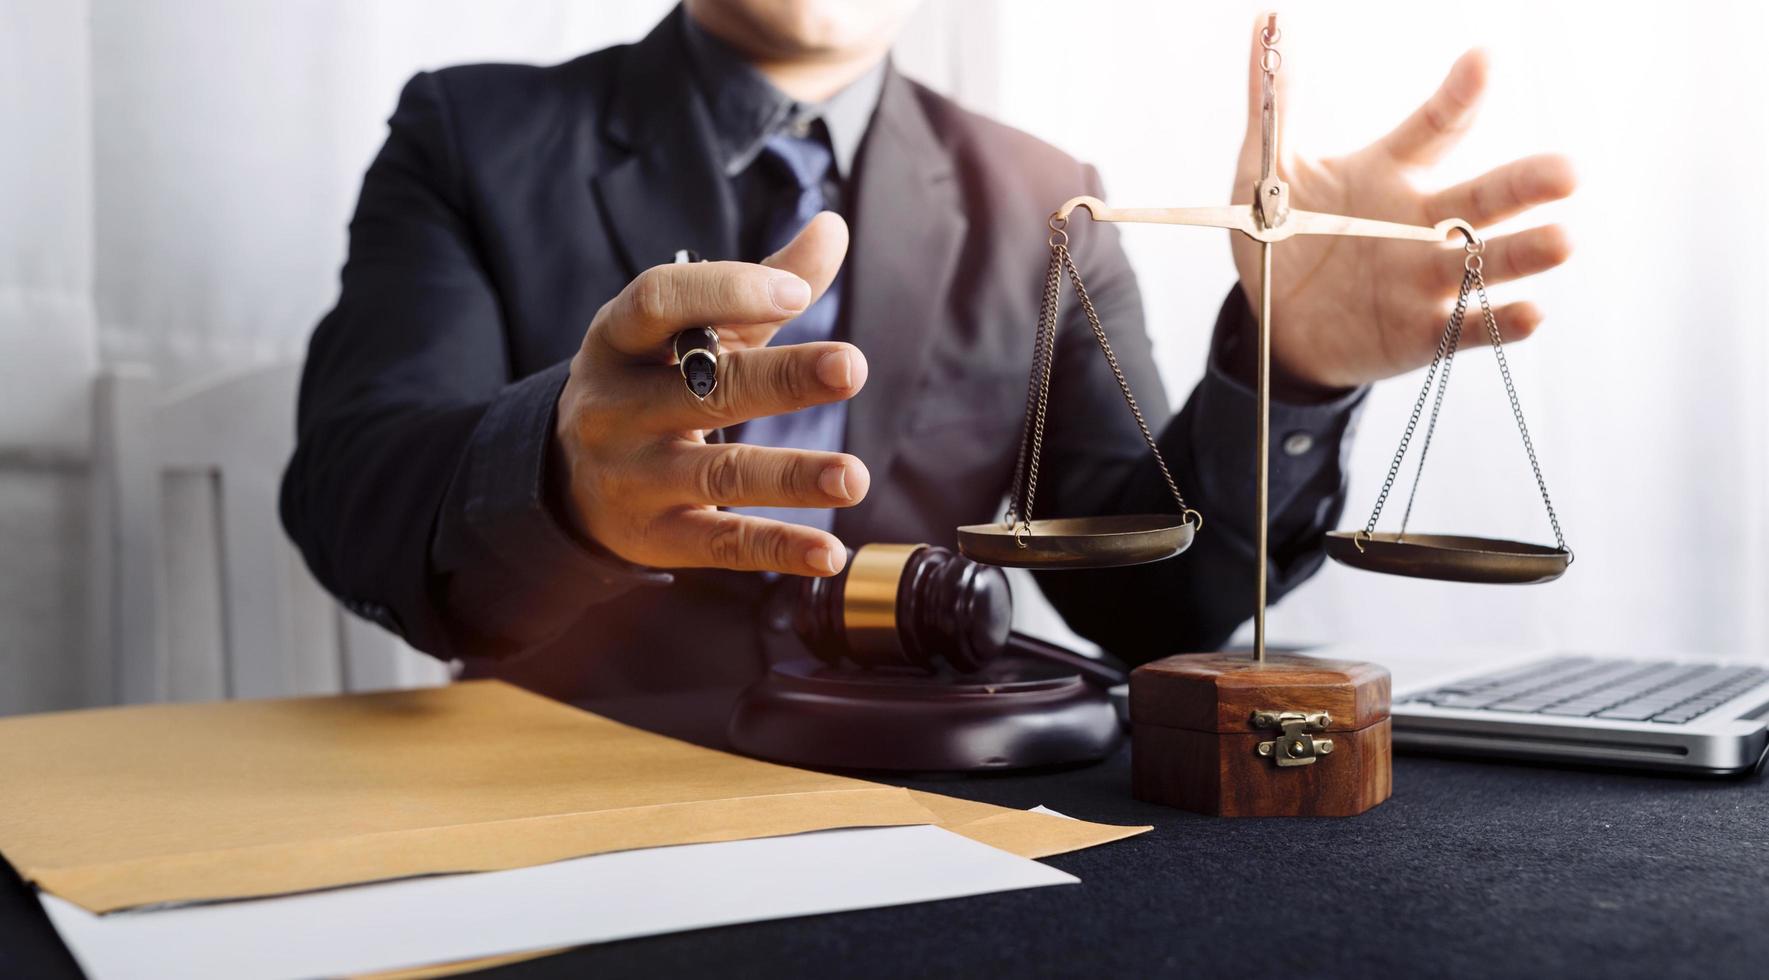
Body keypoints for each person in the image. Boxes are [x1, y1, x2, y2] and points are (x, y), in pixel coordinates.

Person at [281, 2, 1572, 740]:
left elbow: (1149, 607)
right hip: (572, 780)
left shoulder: (1042, 198)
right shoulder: (473, 130)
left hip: (951, 802)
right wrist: (560, 479)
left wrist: (1288, 368)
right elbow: (355, 495)